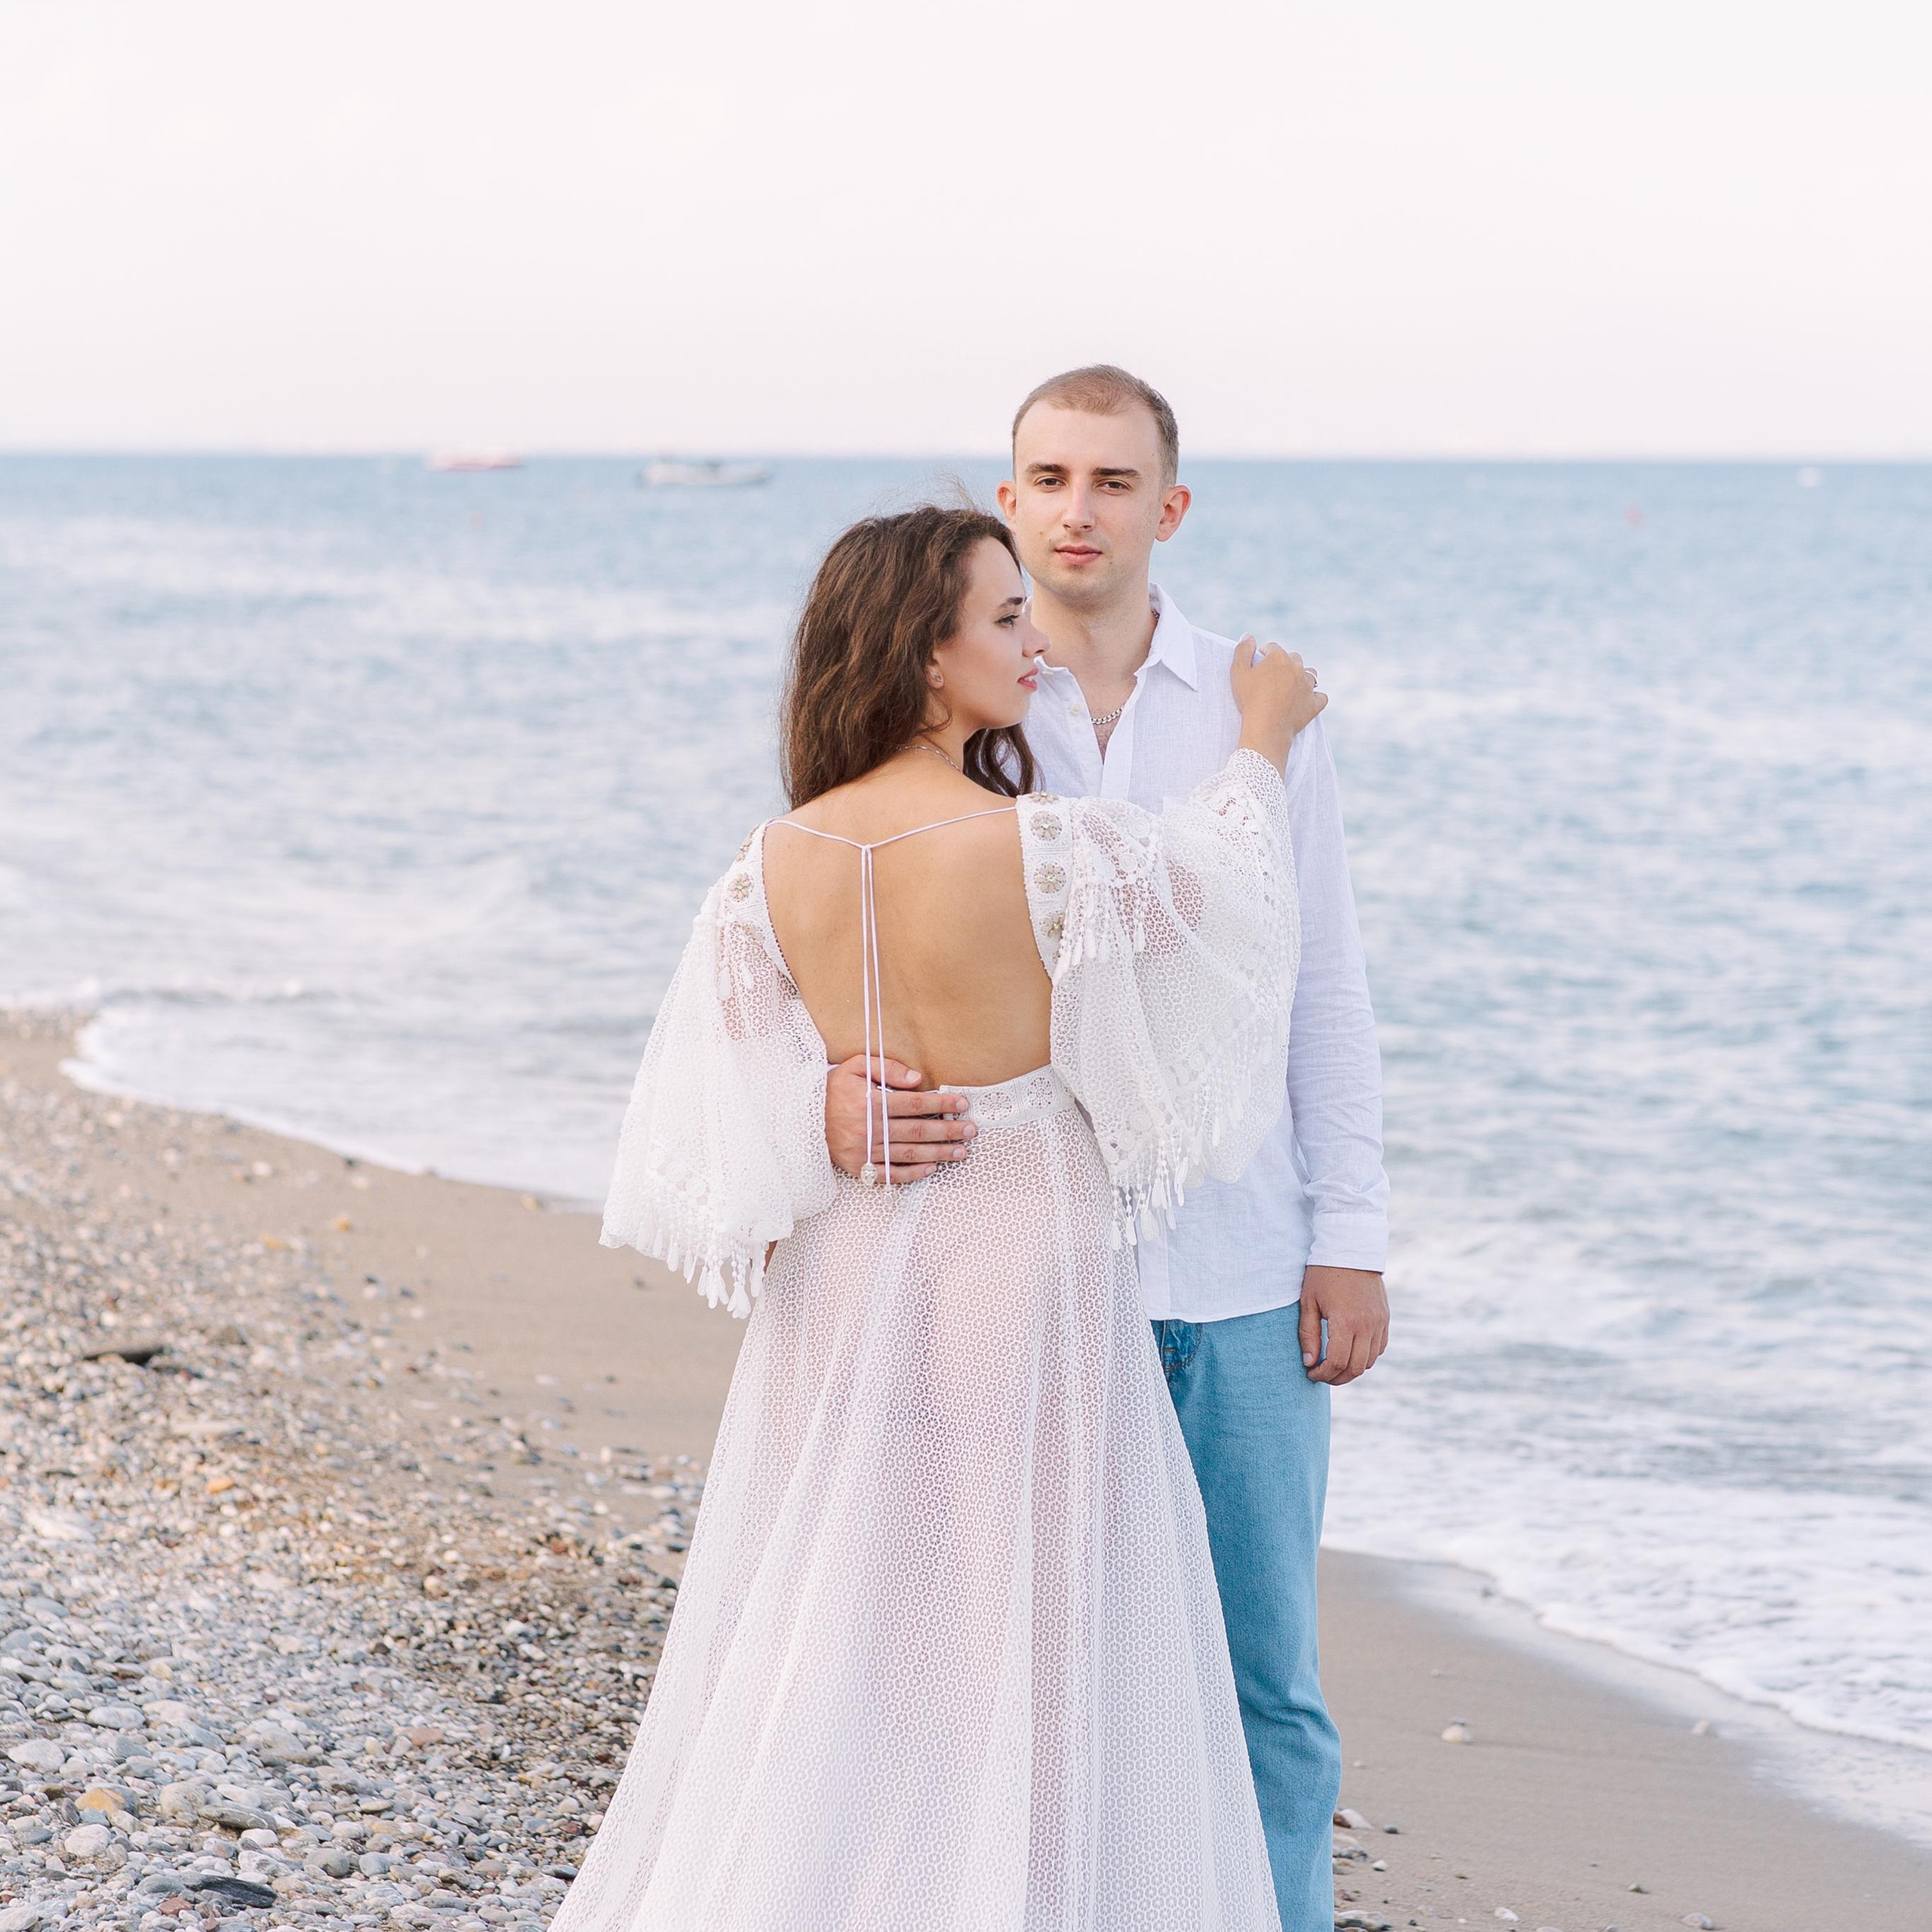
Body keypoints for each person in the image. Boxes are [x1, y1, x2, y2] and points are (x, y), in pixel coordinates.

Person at [557, 505, 1325, 1931]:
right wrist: (1262, 738)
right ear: (924, 659)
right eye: (1003, 620)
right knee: (1026, 1631)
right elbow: (1235, 900)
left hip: (848, 1260)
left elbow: (717, 1087)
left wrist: (826, 1107)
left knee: (848, 1620)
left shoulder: (769, 863)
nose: (1033, 643)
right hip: (1016, 1253)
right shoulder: (1043, 850)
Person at [824, 368, 1389, 1932]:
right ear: (1007, 499)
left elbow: (1318, 974)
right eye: (1048, 477)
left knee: (1260, 1673)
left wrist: (1349, 1224)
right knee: (1027, 1671)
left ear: (1168, 507)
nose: (1077, 509)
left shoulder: (1253, 699)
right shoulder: (958, 707)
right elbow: (836, 922)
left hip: (1239, 1266)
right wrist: (827, 1097)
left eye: (1112, 481)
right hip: (1027, 1260)